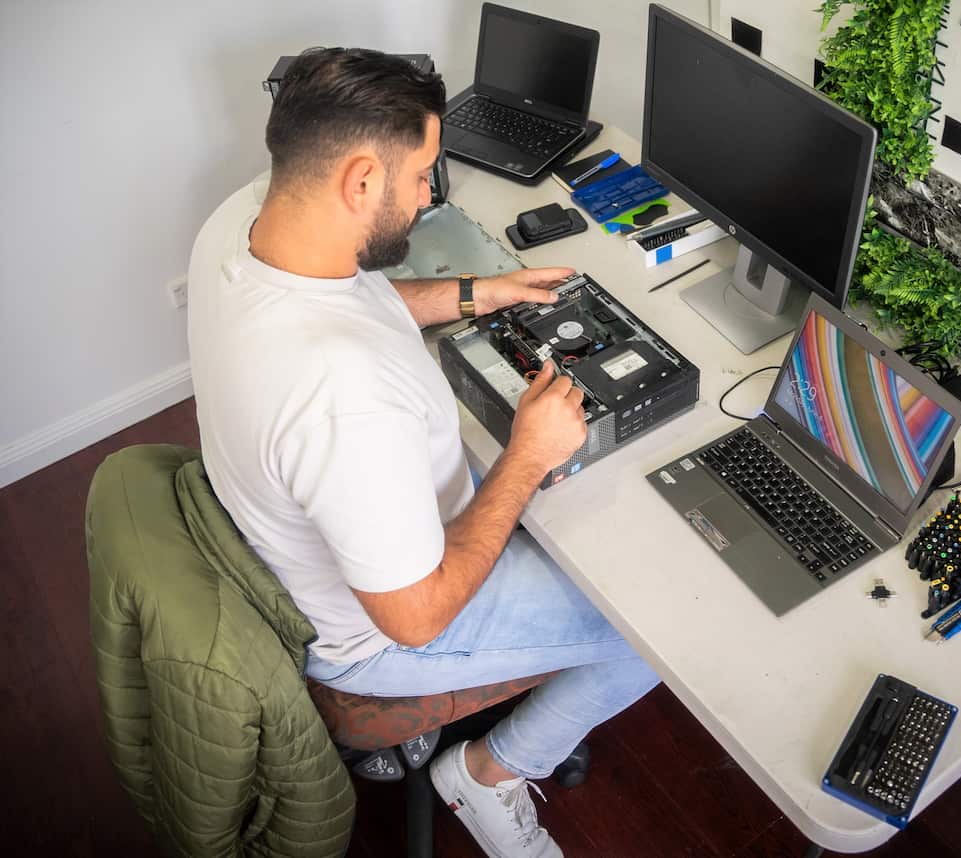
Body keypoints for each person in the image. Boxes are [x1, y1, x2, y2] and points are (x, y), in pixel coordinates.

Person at [186, 47, 660, 858]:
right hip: (391, 627)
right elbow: (416, 617)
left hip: (359, 534)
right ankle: (489, 773)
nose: (426, 197)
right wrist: (525, 457)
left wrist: (481, 292)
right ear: (361, 180)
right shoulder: (340, 398)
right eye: (421, 178)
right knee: (656, 622)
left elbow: (358, 297)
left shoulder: (242, 226)